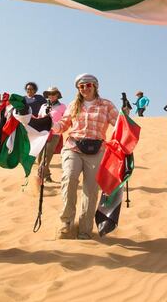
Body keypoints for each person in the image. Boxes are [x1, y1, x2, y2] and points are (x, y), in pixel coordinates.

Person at [50, 73, 119, 240]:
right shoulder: (74, 105)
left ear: (95, 86)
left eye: (88, 85)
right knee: (69, 177)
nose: (85, 89)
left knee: (91, 190)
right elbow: (62, 126)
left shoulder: (106, 105)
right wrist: (49, 123)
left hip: (97, 149)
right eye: (81, 86)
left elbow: (118, 124)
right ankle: (66, 224)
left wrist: (125, 118)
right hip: (73, 146)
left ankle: (85, 230)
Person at [35, 86, 66, 184]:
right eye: (49, 94)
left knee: (46, 157)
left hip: (55, 134)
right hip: (42, 134)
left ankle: (38, 180)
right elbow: (39, 118)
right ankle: (47, 176)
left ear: (57, 95)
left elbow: (66, 120)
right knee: (39, 158)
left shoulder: (63, 107)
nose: (51, 96)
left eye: (53, 94)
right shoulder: (43, 106)